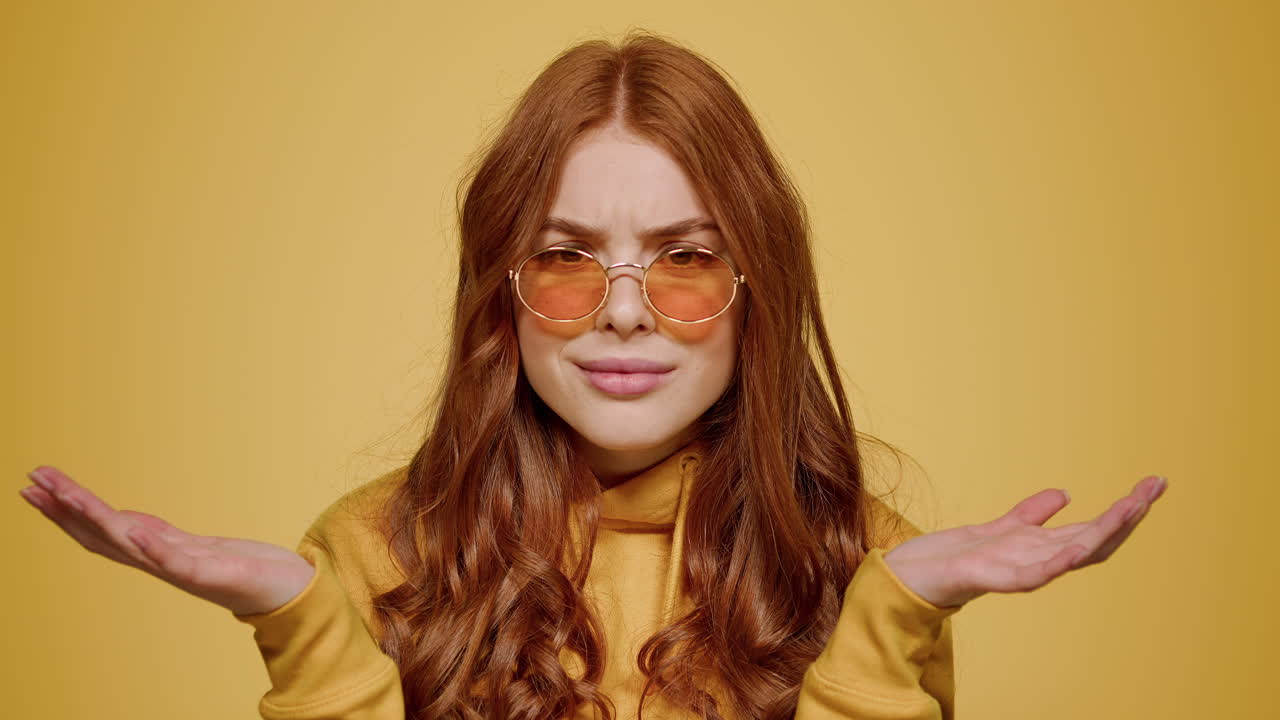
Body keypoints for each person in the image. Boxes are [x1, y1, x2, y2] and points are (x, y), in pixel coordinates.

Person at [18, 30, 1167, 720]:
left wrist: (882, 626)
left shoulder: (865, 564)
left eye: (683, 259)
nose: (622, 311)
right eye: (566, 258)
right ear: (501, 292)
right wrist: (302, 630)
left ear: (754, 288)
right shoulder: (373, 554)